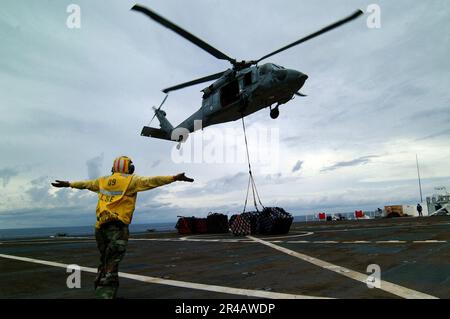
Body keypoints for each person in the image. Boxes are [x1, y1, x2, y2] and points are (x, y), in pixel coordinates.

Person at [51, 155, 194, 299]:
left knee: (105, 261)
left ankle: (104, 292)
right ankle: (104, 296)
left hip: (100, 228)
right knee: (112, 264)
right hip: (117, 228)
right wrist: (174, 177)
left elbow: (85, 184)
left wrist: (69, 183)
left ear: (114, 168)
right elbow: (153, 181)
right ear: (129, 168)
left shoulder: (102, 181)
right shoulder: (132, 180)